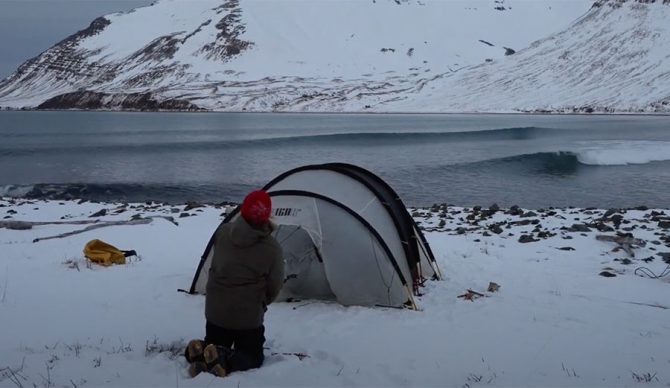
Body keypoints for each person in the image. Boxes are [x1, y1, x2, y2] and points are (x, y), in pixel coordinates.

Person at [186, 190, 284, 378]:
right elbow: (275, 284)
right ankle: (224, 359)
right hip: (246, 319)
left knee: (214, 342)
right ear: (267, 216)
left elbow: (215, 267)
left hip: (215, 313)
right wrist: (262, 303)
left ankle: (201, 351)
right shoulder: (272, 249)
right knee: (252, 356)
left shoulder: (223, 232)